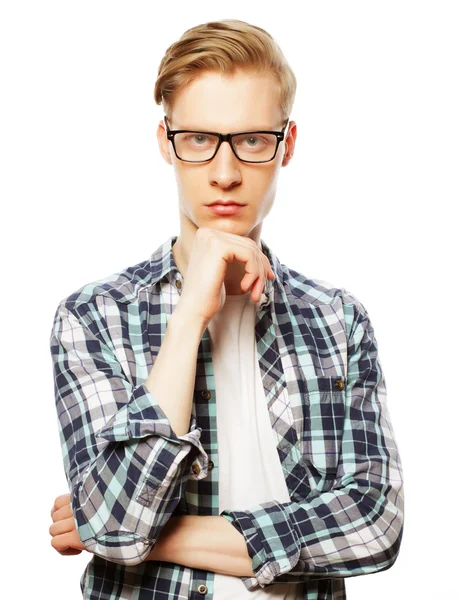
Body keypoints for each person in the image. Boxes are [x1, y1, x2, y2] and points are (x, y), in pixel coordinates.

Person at [48, 18, 404, 600]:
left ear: (286, 145)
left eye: (253, 140)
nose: (225, 172)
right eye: (198, 139)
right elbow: (118, 522)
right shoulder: (93, 318)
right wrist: (190, 314)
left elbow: (375, 524)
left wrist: (129, 533)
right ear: (166, 142)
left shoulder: (339, 321)